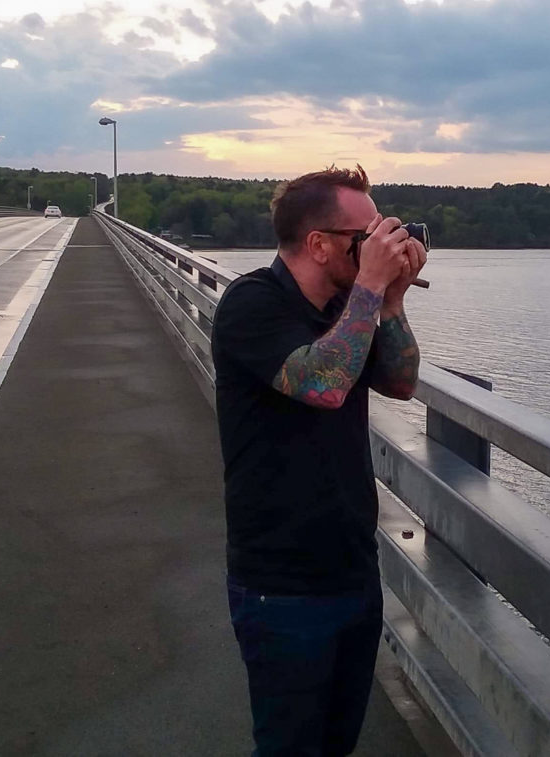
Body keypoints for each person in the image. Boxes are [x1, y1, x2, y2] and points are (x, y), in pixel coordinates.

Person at [210, 164, 426, 756]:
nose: (383, 243)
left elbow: (401, 383)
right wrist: (366, 292)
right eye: (368, 236)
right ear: (319, 244)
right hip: (280, 586)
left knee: (335, 746)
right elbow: (324, 384)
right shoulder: (252, 304)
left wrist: (391, 299)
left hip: (352, 570)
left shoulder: (345, 307)